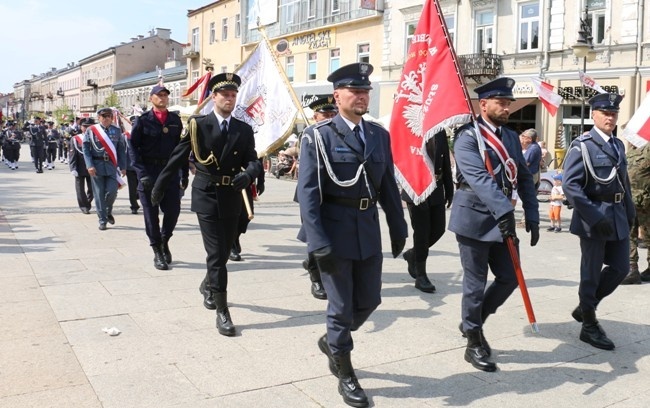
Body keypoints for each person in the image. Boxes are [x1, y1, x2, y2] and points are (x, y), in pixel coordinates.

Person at [298, 62, 407, 408]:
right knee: (341, 307)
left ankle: (333, 341)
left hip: (367, 229)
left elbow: (387, 183)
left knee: (370, 300)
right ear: (337, 96)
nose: (361, 97)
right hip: (334, 231)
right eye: (355, 91)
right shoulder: (318, 136)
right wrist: (318, 245)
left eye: (365, 92)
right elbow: (309, 196)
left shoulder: (378, 135)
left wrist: (398, 224)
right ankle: (345, 372)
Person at [151, 73, 262, 336]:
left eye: (233, 95)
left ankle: (207, 284)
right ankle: (223, 310)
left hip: (232, 195)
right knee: (216, 255)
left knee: (223, 253)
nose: (229, 99)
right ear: (214, 97)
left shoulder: (243, 129)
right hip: (207, 194)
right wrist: (159, 187)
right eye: (224, 95)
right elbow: (178, 157)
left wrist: (249, 174)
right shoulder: (198, 125)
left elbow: (253, 161)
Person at [449, 77, 539, 372]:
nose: (506, 108)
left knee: (510, 277)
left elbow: (523, 177)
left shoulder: (511, 137)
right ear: (483, 103)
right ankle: (473, 341)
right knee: (474, 284)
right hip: (474, 216)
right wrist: (505, 213)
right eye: (500, 102)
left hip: (503, 218)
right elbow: (478, 178)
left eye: (508, 103)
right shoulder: (466, 136)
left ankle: (472, 322)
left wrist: (534, 215)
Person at [563, 93, 635, 350]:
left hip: (617, 215)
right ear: (593, 114)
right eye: (605, 113)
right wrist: (594, 215)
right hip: (593, 217)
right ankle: (589, 326)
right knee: (591, 273)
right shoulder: (582, 146)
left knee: (620, 268)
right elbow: (570, 185)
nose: (610, 117)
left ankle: (586, 307)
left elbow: (623, 183)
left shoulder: (618, 145)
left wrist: (630, 212)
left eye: (614, 113)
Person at [128, 85, 186, 270]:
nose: (162, 98)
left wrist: (183, 173)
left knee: (173, 211)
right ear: (151, 98)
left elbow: (181, 149)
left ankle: (164, 239)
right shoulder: (143, 121)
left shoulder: (175, 120)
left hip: (169, 172)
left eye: (165, 95)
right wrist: (141, 174)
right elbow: (133, 148)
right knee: (151, 214)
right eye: (158, 95)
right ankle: (157, 251)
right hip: (149, 171)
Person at [402, 129, 454, 293]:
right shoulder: (409, 129)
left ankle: (413, 254)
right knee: (422, 232)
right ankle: (421, 275)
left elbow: (444, 158)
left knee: (438, 229)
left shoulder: (438, 128)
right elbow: (403, 161)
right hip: (416, 187)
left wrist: (449, 188)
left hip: (436, 188)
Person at [299, 96, 338, 300]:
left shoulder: (341, 134)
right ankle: (316, 278)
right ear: (315, 117)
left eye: (333, 114)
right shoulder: (309, 135)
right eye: (325, 115)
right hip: (314, 195)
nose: (330, 118)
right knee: (315, 236)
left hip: (336, 197)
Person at [82, 107, 127, 231]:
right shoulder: (92, 130)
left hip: (111, 166)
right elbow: (86, 149)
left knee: (112, 192)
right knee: (99, 194)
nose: (107, 118)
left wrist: (123, 167)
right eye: (104, 116)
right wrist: (89, 165)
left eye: (109, 116)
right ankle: (102, 220)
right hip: (96, 166)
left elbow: (121, 149)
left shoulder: (117, 130)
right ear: (99, 117)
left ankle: (107, 211)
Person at [620, 143, 650, 284]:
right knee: (629, 234)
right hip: (630, 200)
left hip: (646, 202)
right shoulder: (631, 152)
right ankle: (632, 269)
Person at [230, 159, 265, 262]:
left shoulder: (252, 142)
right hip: (228, 181)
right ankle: (231, 246)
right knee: (231, 216)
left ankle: (235, 237)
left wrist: (261, 181)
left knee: (246, 216)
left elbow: (257, 160)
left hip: (246, 180)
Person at [69, 119, 95, 214]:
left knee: (92, 188)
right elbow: (72, 154)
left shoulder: (96, 137)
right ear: (81, 127)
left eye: (89, 126)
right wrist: (73, 168)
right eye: (85, 126)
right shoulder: (76, 139)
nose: (87, 128)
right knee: (80, 188)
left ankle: (87, 202)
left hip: (92, 166)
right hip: (80, 166)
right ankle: (84, 206)